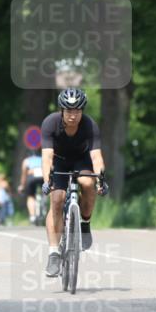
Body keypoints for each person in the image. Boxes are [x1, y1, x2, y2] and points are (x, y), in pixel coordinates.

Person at [40, 87, 108, 277]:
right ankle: (53, 253)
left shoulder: (89, 125)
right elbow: (46, 158)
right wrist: (48, 181)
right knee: (57, 198)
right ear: (61, 110)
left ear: (82, 111)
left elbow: (96, 157)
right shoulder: (50, 123)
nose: (73, 115)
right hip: (59, 160)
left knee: (87, 183)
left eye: (77, 110)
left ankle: (85, 223)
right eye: (69, 110)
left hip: (82, 159)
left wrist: (101, 179)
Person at [18, 150, 45, 224]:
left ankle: (32, 216)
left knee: (30, 196)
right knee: (45, 192)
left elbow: (24, 175)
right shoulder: (42, 158)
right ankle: (44, 204)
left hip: (32, 176)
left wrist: (22, 186)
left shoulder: (27, 161)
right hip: (43, 176)